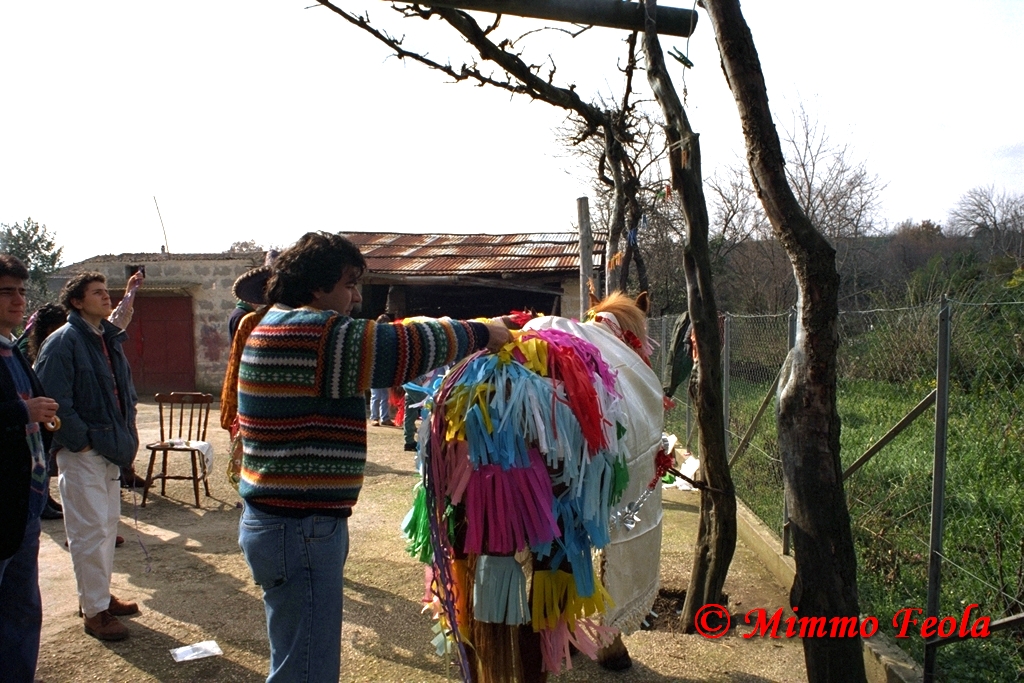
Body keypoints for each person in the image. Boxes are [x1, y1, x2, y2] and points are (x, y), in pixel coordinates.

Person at [236, 231, 511, 682]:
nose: (357, 296)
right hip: (299, 526)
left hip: (286, 522)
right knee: (306, 668)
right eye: (349, 283)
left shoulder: (280, 323)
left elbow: (390, 336)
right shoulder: (312, 334)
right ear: (316, 287)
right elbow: (400, 348)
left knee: (298, 656)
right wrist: (483, 331)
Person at [34, 272, 141, 642]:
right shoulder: (62, 343)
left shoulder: (106, 340)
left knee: (107, 527)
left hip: (109, 449)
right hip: (84, 453)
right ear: (77, 302)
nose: (106, 297)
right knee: (88, 531)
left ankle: (99, 597)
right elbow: (52, 399)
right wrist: (80, 442)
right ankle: (94, 612)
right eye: (97, 293)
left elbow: (121, 392)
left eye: (106, 292)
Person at [0, 255, 59, 683]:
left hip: (25, 503)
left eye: (21, 291)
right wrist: (20, 411)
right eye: (6, 292)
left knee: (21, 608)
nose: (18, 300)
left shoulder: (11, 347)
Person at [368, 313, 394, 426]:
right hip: (374, 369)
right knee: (376, 396)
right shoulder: (373, 336)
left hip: (384, 369)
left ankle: (385, 418)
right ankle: (374, 417)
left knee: (384, 396)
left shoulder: (387, 337)